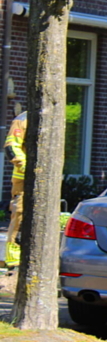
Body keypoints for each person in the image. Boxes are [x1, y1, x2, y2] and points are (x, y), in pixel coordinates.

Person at [4, 111, 26, 275]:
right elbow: (11, 147)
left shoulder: (54, 117)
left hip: (45, 181)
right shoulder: (23, 119)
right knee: (20, 217)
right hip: (24, 180)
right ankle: (14, 262)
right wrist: (28, 168)